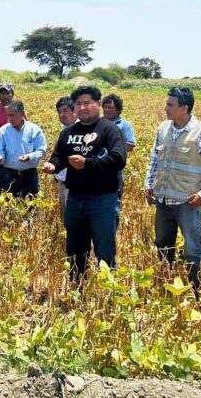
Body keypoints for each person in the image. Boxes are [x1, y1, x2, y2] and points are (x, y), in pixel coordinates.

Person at [145, 87, 201, 292]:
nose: (165, 108)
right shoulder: (163, 129)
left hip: (188, 203)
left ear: (184, 108)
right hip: (163, 201)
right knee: (163, 245)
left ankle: (196, 291)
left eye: (170, 105)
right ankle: (165, 285)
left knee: (193, 249)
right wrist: (149, 185)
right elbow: (154, 160)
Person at [42, 86, 126, 282]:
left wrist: (87, 163)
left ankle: (108, 294)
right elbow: (59, 156)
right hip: (75, 199)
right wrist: (52, 165)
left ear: (98, 104)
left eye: (87, 103)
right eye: (78, 104)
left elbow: (118, 159)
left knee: (105, 251)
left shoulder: (109, 129)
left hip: (103, 200)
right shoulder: (69, 132)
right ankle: (77, 289)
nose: (82, 107)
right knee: (75, 250)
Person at [0, 100, 47, 199]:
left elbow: (41, 150)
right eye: (8, 115)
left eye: (12, 115)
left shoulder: (34, 129)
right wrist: (0, 156)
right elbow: (0, 149)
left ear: (22, 113)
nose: (9, 118)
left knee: (31, 205)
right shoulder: (3, 130)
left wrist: (29, 157)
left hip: (29, 175)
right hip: (9, 174)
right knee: (9, 205)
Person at [103, 94, 136, 222]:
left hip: (114, 171)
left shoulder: (124, 125)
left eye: (110, 107)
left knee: (113, 204)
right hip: (96, 169)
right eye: (105, 107)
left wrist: (111, 149)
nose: (106, 110)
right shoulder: (98, 123)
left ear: (118, 110)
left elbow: (130, 145)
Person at [54, 96, 77, 218]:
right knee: (66, 215)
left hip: (75, 184)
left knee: (74, 217)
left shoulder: (82, 129)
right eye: (59, 112)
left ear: (75, 111)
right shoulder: (65, 129)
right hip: (62, 180)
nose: (62, 115)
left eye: (65, 111)